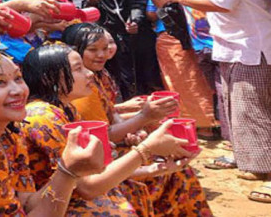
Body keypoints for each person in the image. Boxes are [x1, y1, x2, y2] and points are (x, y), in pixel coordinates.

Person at [160, 0, 271, 203]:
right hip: (236, 50)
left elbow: (220, 3)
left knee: (259, 114)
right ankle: (258, 166)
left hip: (254, 51)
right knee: (240, 114)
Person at [19, 43, 194, 216]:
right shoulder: (43, 117)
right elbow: (86, 186)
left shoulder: (67, 107)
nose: (88, 74)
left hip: (82, 189)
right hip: (59, 203)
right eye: (78, 69)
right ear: (49, 78)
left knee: (175, 174)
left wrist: (156, 168)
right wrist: (146, 148)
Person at [69, 24, 214, 216]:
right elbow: (105, 136)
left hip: (111, 154)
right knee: (174, 176)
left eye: (106, 47)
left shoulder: (98, 75)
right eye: (93, 50)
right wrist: (143, 119)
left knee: (177, 172)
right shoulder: (81, 88)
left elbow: (111, 117)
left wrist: (139, 124)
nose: (102, 54)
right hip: (101, 163)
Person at [0, 42, 105, 216]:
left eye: (18, 78)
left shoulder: (11, 137)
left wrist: (69, 171)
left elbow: (28, 204)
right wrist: (67, 171)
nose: (17, 90)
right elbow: (87, 187)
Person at [142, 0, 218, 136]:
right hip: (194, 41)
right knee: (197, 83)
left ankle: (218, 124)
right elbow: (159, 4)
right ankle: (209, 124)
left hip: (223, 38)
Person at [81, 0, 162, 99]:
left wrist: (135, 20)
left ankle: (155, 110)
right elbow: (87, 11)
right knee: (120, 77)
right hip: (111, 35)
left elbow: (140, 0)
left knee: (149, 73)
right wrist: (92, 1)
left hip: (139, 31)